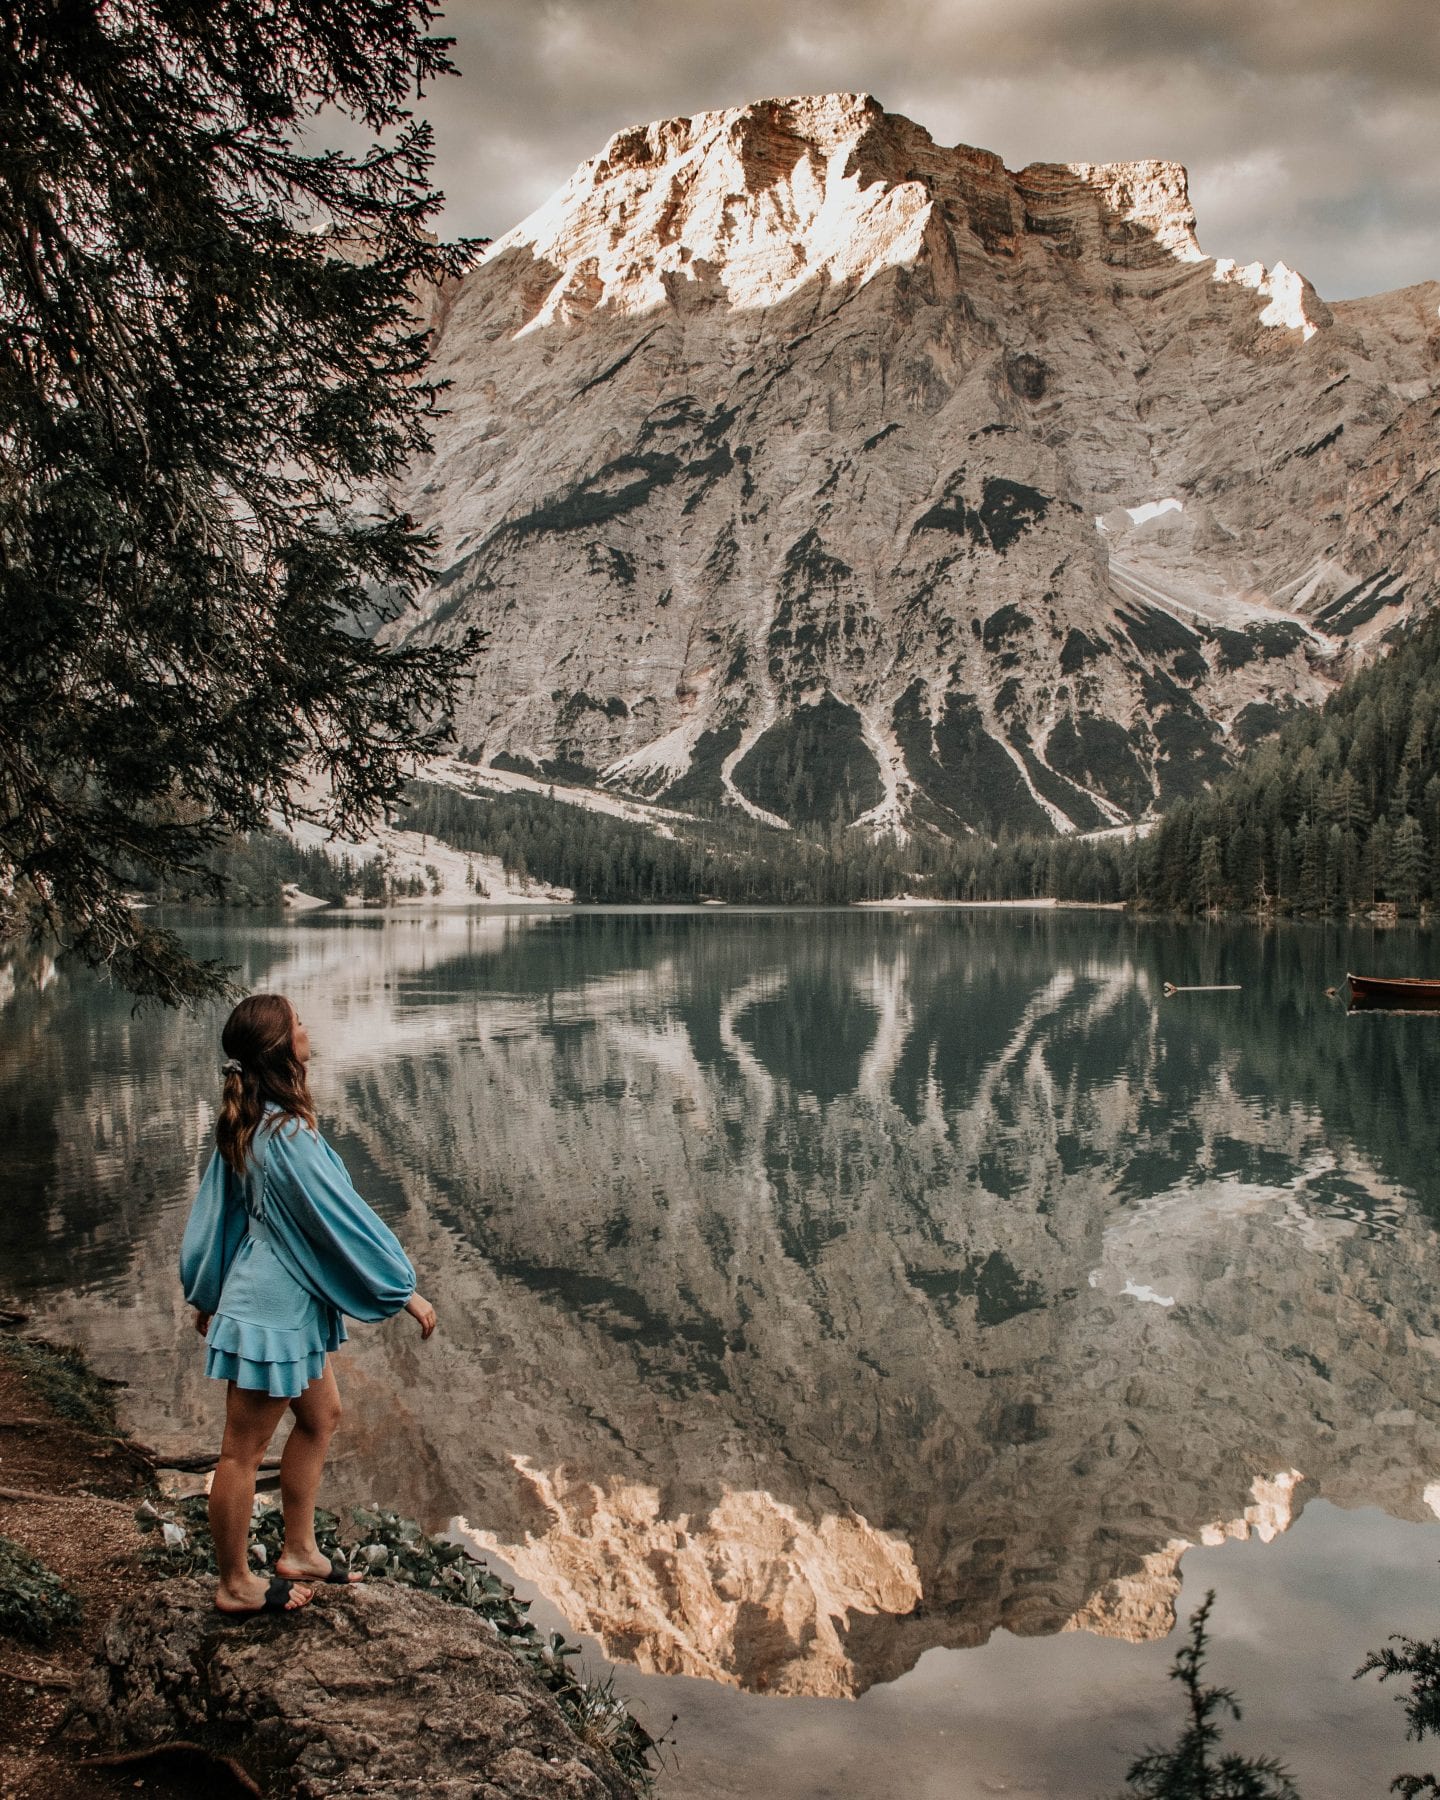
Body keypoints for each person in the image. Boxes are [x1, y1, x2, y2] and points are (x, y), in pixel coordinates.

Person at [179, 993, 437, 1616]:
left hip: (281, 1303)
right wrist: (402, 1290)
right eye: (297, 1023)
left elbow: (219, 1217)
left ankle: (299, 1550)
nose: (306, 1029)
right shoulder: (286, 1134)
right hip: (271, 1310)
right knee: (242, 1452)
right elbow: (340, 1222)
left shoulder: (253, 1123)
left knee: (321, 1417)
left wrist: (208, 1290)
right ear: (280, 1048)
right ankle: (235, 1582)